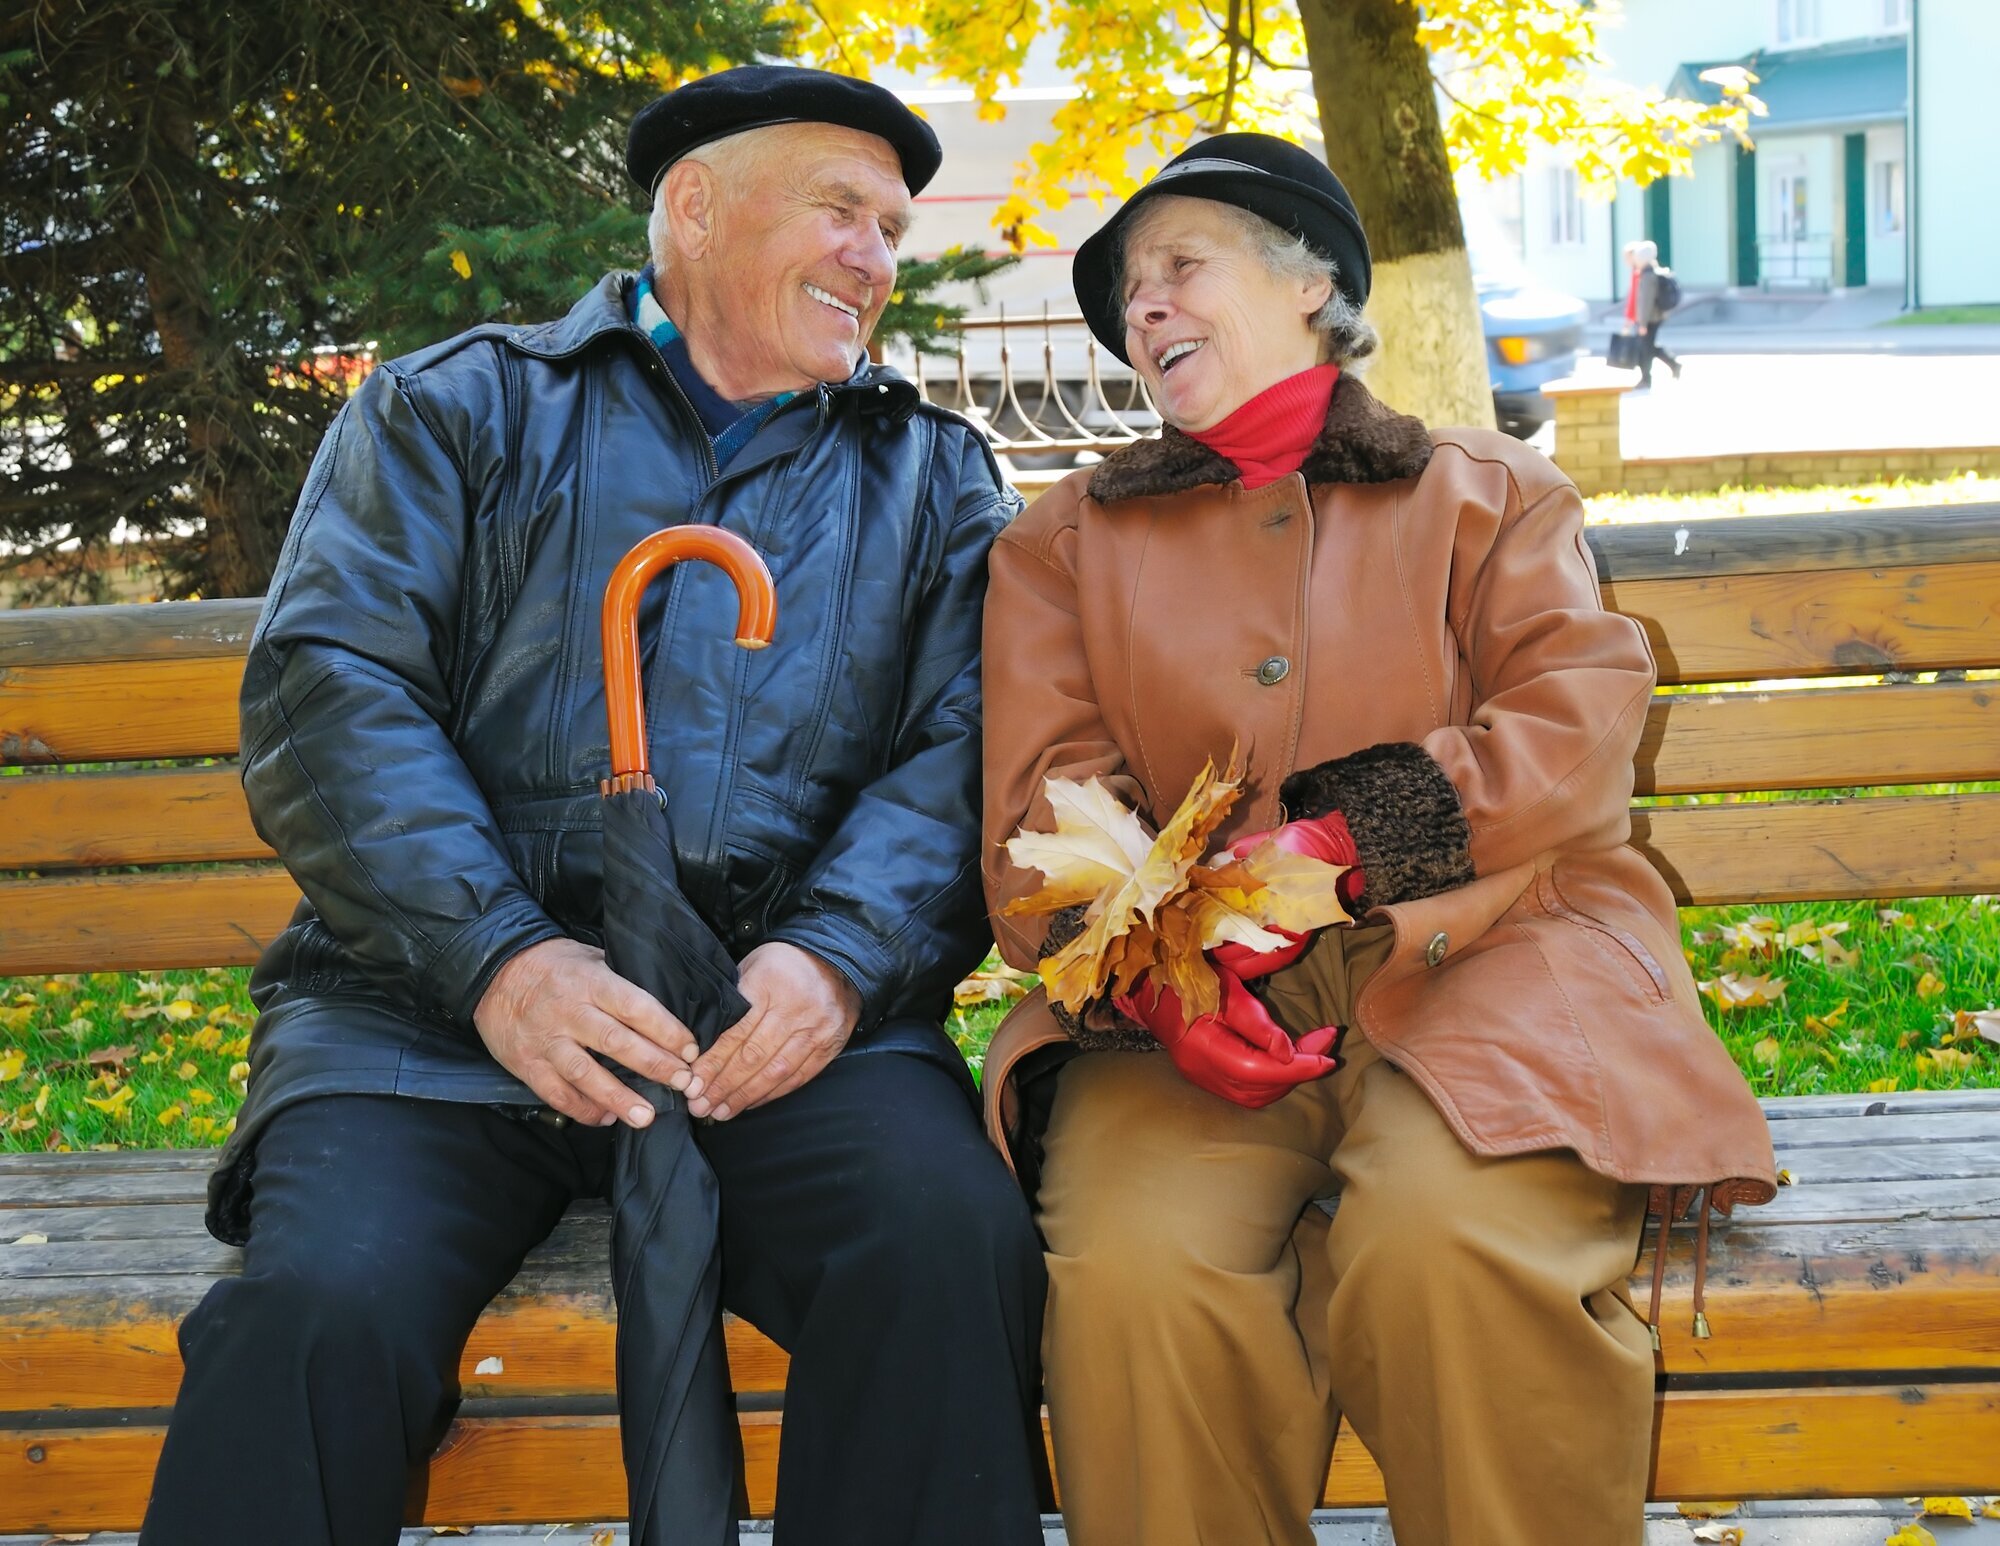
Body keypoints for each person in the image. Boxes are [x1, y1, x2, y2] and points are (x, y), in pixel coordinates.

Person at [140, 65, 1047, 1546]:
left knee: (944, 1250)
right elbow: (329, 698)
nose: (875, 258)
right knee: (314, 1314)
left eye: (891, 229)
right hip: (426, 1017)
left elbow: (972, 749)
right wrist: (502, 957)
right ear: (693, 206)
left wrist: (833, 959)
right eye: (840, 210)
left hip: (771, 1021)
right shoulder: (454, 409)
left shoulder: (929, 476)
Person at [980, 133, 1776, 1546]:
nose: (1145, 306)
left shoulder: (1487, 490)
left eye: (1181, 266)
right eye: (1128, 294)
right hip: (1189, 1018)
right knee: (1140, 1272)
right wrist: (1163, 983)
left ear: (1311, 285)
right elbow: (1045, 813)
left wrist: (1338, 845)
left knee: (1446, 1245)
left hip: (1493, 963)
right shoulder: (1062, 547)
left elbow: (1578, 718)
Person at [1626, 237, 1682, 386]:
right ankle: (1672, 365)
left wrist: (1642, 323)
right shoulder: (1653, 272)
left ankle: (1647, 378)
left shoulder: (1647, 276)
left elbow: (1645, 301)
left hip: (1650, 319)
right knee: (1648, 347)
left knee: (1646, 349)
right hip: (1655, 317)